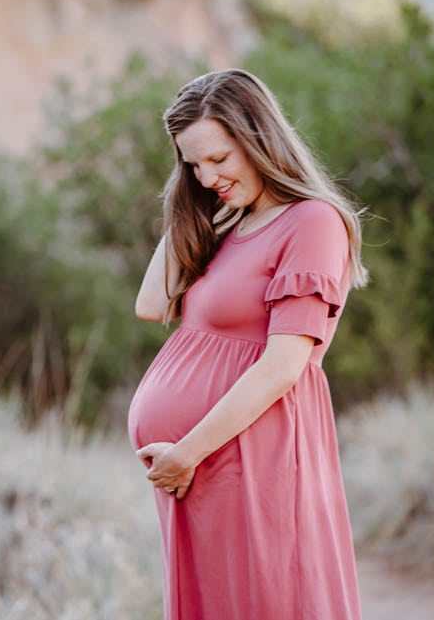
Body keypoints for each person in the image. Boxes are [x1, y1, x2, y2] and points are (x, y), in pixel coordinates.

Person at [127, 68, 368, 620]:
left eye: (219, 159)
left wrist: (186, 452)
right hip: (202, 462)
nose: (207, 175)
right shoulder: (230, 223)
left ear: (259, 141)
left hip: (250, 454)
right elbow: (150, 303)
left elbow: (285, 363)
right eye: (191, 163)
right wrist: (194, 200)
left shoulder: (312, 222)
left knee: (266, 601)